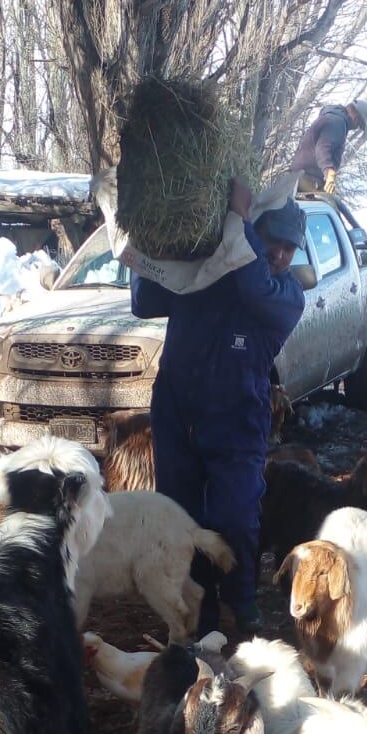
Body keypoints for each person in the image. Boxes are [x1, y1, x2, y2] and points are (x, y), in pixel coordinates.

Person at [130, 185, 306, 636]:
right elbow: (144, 302)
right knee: (183, 517)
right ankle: (200, 610)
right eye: (275, 242)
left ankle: (242, 604)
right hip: (176, 412)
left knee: (235, 515)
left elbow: (251, 282)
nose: (282, 255)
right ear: (255, 236)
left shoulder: (285, 295)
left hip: (238, 418)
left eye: (290, 248)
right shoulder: (206, 275)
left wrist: (239, 216)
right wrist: (149, 238)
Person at [290, 100, 367, 196]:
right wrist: (329, 172)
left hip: (299, 176)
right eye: (359, 124)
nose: (356, 127)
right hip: (307, 178)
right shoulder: (337, 123)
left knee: (333, 203)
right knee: (327, 205)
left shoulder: (332, 118)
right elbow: (322, 148)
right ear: (356, 117)